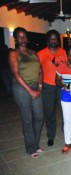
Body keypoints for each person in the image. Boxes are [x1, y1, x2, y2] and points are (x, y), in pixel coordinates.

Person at [9, 27, 43, 158]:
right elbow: (15, 73)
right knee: (27, 118)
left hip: (35, 86)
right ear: (16, 39)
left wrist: (39, 88)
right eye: (20, 37)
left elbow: (40, 71)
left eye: (25, 37)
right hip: (21, 88)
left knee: (39, 117)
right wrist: (30, 90)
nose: (23, 39)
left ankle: (35, 143)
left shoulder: (34, 53)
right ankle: (31, 148)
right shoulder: (14, 53)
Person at [38, 30, 67, 147]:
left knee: (65, 111)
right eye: (51, 39)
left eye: (56, 39)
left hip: (62, 86)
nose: (54, 41)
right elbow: (38, 71)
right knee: (49, 113)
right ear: (47, 41)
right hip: (47, 87)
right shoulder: (41, 53)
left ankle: (66, 132)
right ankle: (51, 135)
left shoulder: (64, 52)